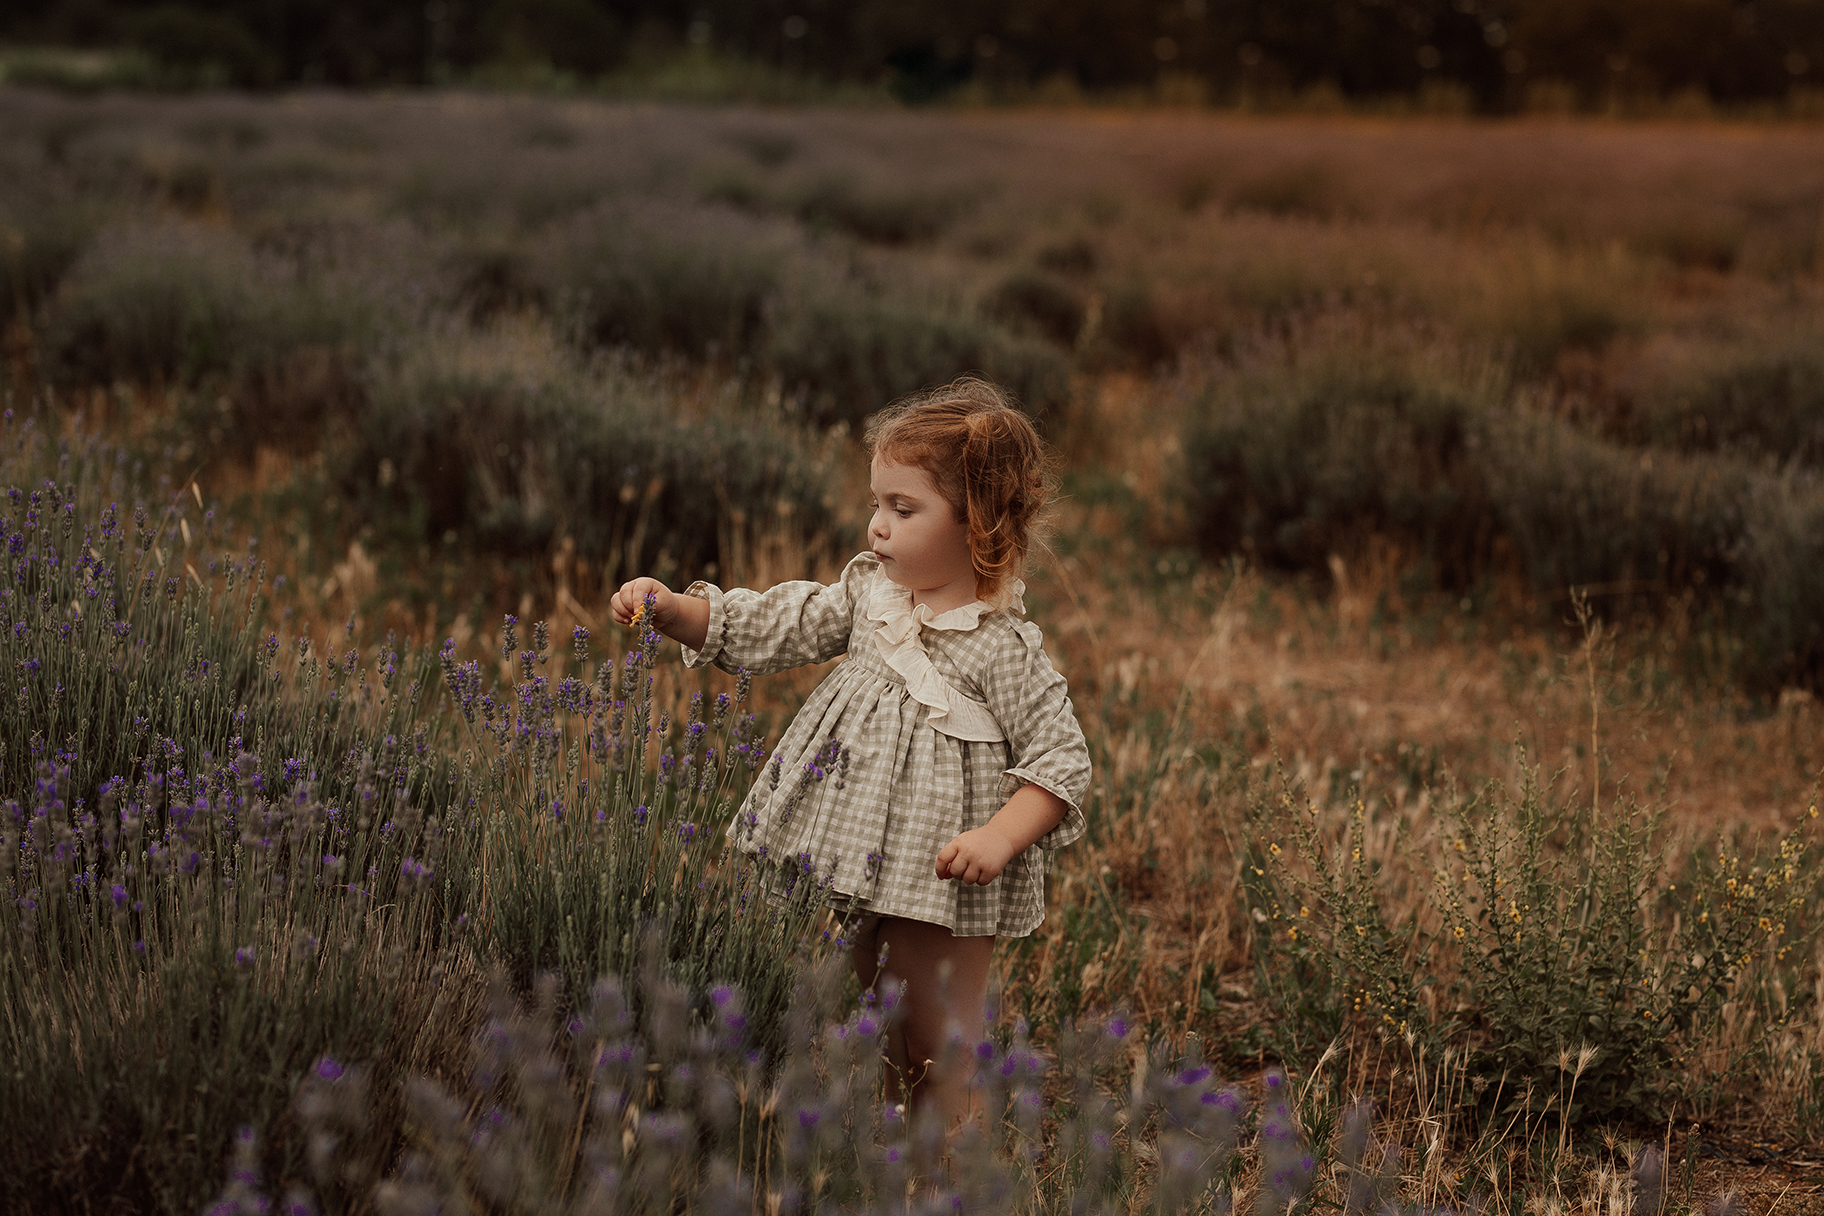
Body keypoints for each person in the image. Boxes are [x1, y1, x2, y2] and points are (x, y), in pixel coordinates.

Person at [609, 377, 1090, 1128]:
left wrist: (999, 837)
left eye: (904, 509)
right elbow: (779, 623)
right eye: (876, 504)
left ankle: (957, 1173)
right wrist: (675, 611)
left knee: (941, 1034)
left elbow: (1061, 760)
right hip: (860, 856)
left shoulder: (1000, 646)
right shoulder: (872, 596)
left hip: (943, 871)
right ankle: (906, 1158)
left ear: (981, 524)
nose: (878, 527)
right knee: (886, 1013)